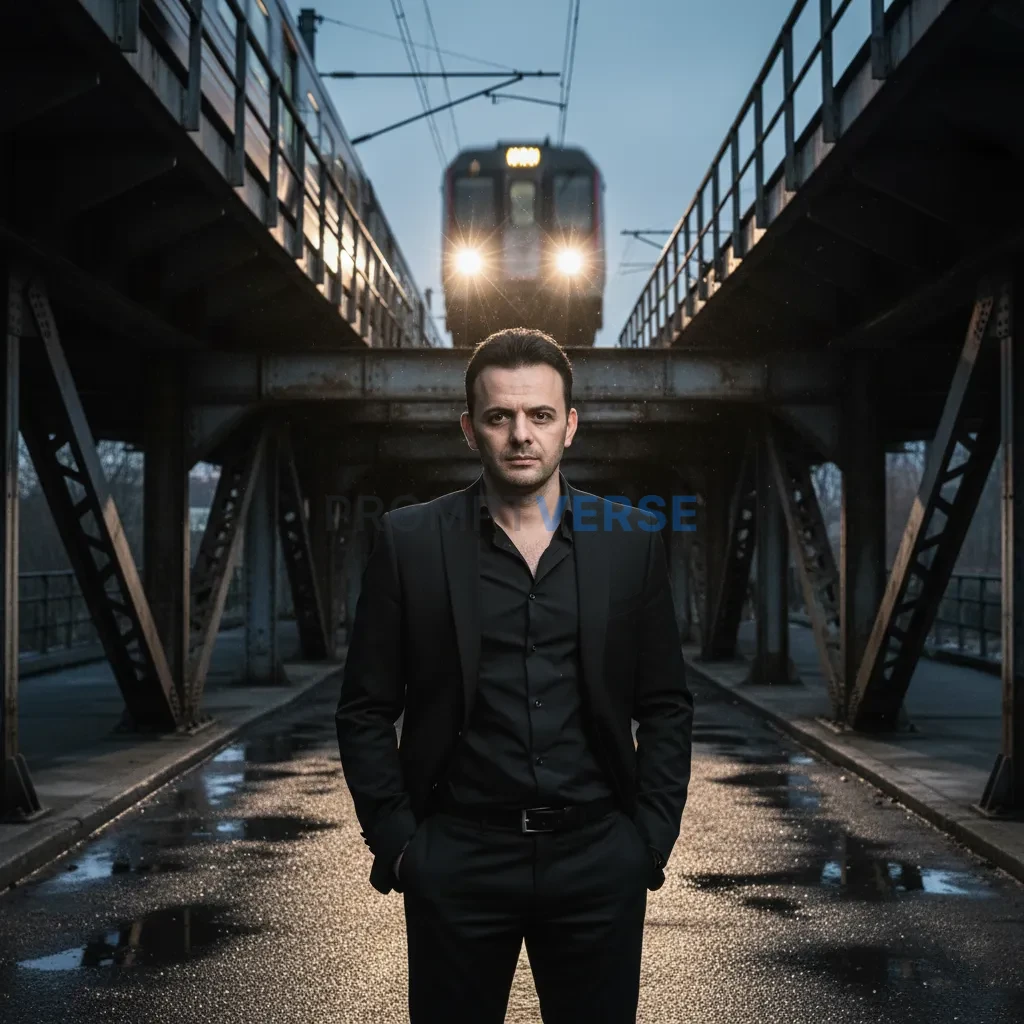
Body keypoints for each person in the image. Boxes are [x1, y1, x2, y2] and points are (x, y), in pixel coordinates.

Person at [335, 327, 693, 1023]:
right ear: (471, 429)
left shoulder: (630, 540)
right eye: (500, 417)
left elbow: (667, 703)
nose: (520, 435)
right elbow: (365, 707)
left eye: (540, 416)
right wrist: (403, 846)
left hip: (597, 858)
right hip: (458, 858)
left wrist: (647, 841)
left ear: (571, 426)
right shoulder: (410, 542)